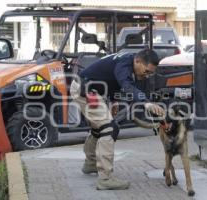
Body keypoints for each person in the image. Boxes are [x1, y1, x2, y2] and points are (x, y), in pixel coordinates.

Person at [70, 49, 164, 190]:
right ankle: (105, 178)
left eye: (151, 73)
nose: (147, 76)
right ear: (138, 61)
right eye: (146, 71)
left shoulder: (128, 60)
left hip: (87, 88)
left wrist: (114, 101)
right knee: (109, 128)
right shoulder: (125, 64)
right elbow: (126, 85)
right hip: (85, 90)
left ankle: (90, 163)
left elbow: (113, 79)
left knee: (99, 128)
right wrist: (146, 102)